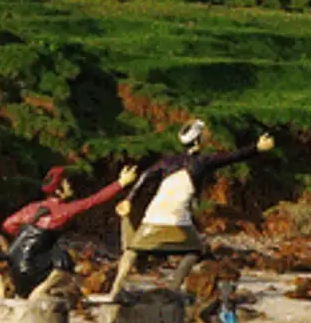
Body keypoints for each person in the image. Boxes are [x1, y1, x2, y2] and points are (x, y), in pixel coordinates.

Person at [112, 120, 275, 299]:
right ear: (197, 141)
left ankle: (115, 289)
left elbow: (144, 177)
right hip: (177, 220)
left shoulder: (167, 161)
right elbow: (231, 157)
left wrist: (130, 199)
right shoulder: (201, 162)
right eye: (204, 135)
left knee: (133, 250)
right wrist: (256, 148)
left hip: (152, 217)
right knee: (195, 251)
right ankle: (173, 288)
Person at [0, 162, 139, 301]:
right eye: (66, 183)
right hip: (31, 267)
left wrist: (26, 237)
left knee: (48, 256)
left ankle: (8, 288)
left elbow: (8, 225)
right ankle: (40, 291)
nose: (71, 186)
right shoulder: (61, 211)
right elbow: (93, 201)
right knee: (63, 258)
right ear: (59, 190)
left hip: (15, 266)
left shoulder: (33, 208)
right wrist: (120, 183)